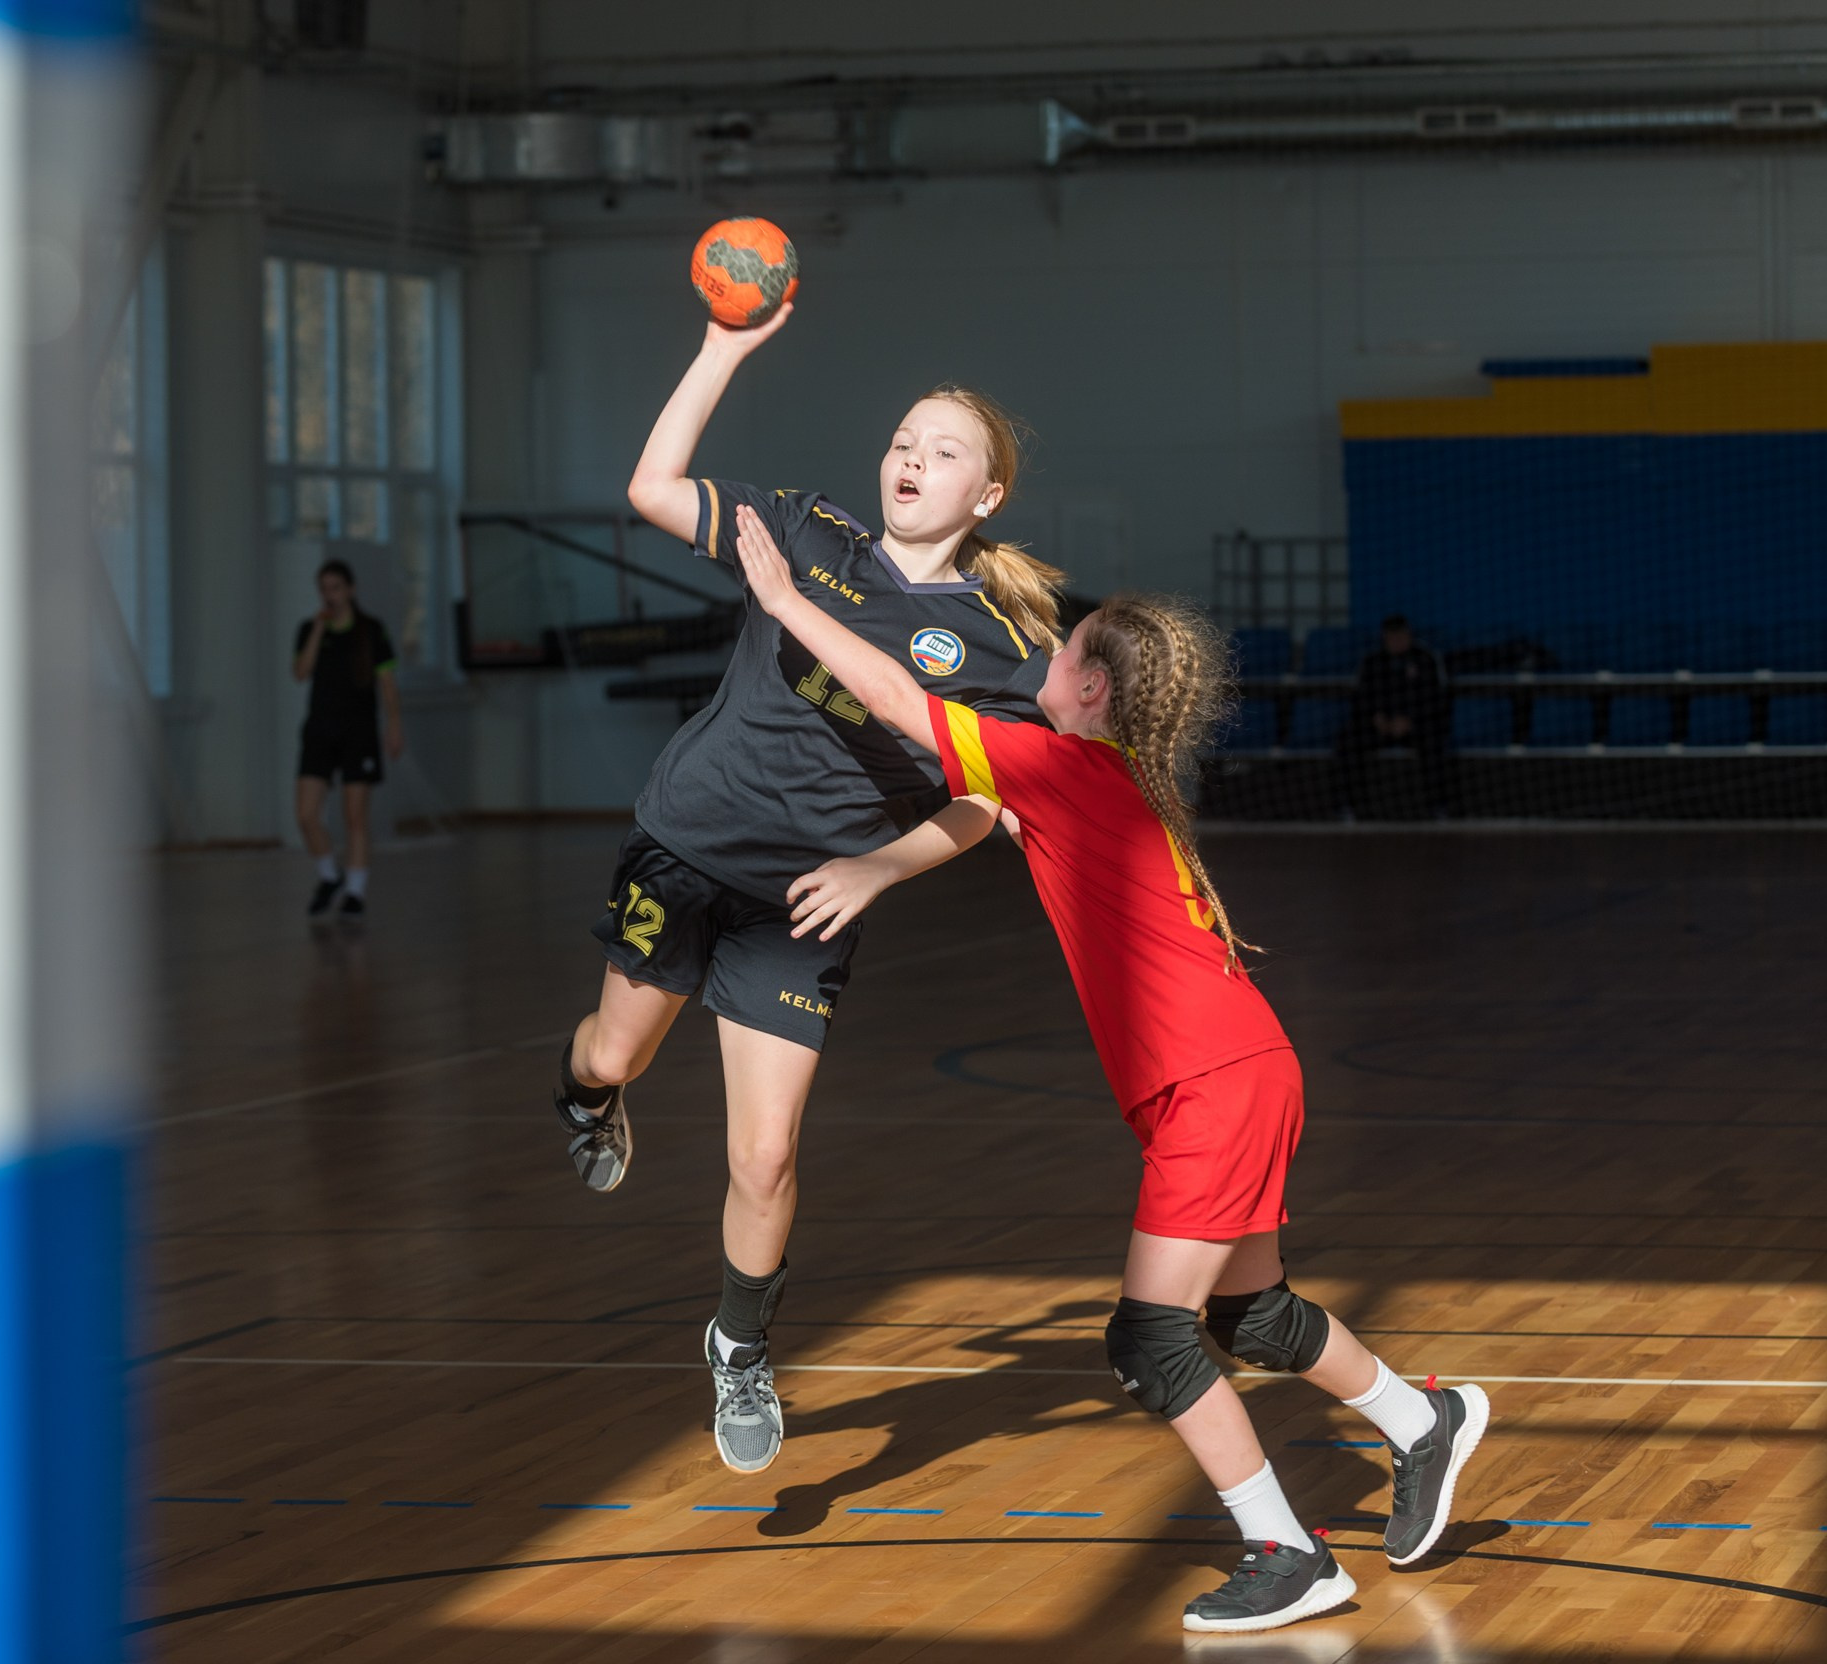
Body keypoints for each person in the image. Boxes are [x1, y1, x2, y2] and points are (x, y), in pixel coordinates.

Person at [731, 510, 1493, 1635]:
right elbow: (972, 804)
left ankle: (1288, 1552)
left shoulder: (1056, 764)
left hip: (1213, 1084)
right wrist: (879, 864)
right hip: (1239, 1071)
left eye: (1067, 646)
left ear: (1090, 688)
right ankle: (1424, 1421)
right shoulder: (1094, 773)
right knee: (1251, 1314)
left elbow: (895, 697)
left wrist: (785, 602)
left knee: (1149, 1336)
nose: (1047, 654)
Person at [555, 299, 1066, 1476]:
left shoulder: (1002, 650)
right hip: (683, 848)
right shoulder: (804, 530)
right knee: (614, 1051)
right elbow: (651, 487)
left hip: (802, 904)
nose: (910, 459)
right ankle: (583, 1095)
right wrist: (720, 350)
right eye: (902, 440)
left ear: (986, 495)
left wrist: (879, 865)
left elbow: (988, 801)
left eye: (942, 451)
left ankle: (739, 1345)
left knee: (766, 1155)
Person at [292, 559, 403, 916]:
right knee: (306, 814)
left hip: (359, 731)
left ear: (350, 590)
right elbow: (300, 672)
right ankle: (329, 875)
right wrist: (317, 631)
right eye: (324, 589)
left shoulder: (371, 630)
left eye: (336, 588)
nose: (330, 596)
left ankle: (355, 890)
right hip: (320, 730)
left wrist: (394, 725)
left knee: (354, 815)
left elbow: (387, 684)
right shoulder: (309, 629)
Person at [1334, 613, 1451, 819]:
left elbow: (1437, 699)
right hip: (1380, 728)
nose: (1397, 641)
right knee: (1348, 741)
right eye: (1392, 637)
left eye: (1401, 636)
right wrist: (1376, 718)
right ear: (1384, 638)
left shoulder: (1425, 659)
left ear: (1409, 635)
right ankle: (1350, 806)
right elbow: (1360, 699)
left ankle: (1438, 806)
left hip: (1416, 726)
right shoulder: (1371, 662)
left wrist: (1411, 720)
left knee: (1435, 742)